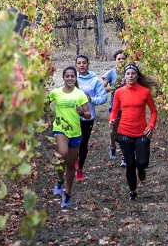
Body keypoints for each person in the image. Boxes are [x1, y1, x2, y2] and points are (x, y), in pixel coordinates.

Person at [109, 63, 157, 201]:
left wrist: (151, 126)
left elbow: (153, 111)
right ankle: (133, 192)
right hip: (124, 132)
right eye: (128, 73)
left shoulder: (145, 92)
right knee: (130, 164)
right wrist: (112, 120)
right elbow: (114, 110)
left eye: (133, 73)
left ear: (137, 76)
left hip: (142, 132)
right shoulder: (119, 92)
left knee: (142, 162)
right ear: (124, 76)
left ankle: (141, 170)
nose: (130, 76)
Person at [47, 66, 90, 208]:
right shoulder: (56, 92)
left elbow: (88, 114)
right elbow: (45, 104)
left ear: (76, 78)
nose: (70, 78)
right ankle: (60, 180)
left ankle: (68, 193)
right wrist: (48, 119)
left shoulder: (80, 94)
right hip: (60, 129)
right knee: (62, 154)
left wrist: (81, 113)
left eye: (72, 76)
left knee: (71, 164)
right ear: (63, 77)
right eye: (67, 76)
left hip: (75, 132)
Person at [75, 54, 109, 182]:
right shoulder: (72, 78)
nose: (82, 65)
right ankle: (75, 159)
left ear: (88, 64)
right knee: (73, 141)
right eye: (79, 63)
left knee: (83, 143)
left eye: (84, 62)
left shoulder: (94, 81)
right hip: (73, 116)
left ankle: (80, 169)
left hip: (87, 117)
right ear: (76, 65)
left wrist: (91, 99)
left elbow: (103, 97)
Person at [103, 50, 126, 164]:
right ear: (115, 60)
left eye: (123, 58)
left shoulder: (129, 72)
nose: (121, 61)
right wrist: (114, 87)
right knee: (114, 131)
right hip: (115, 106)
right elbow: (102, 88)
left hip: (128, 106)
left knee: (126, 132)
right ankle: (112, 146)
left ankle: (124, 156)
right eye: (119, 59)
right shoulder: (111, 73)